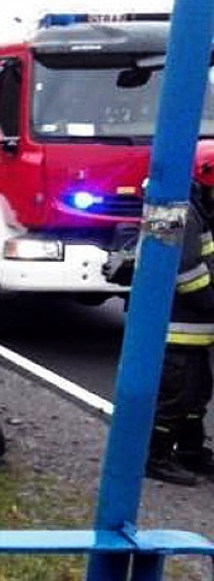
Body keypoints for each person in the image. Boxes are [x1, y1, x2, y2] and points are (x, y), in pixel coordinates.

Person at [146, 170, 214, 485]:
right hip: (175, 327)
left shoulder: (194, 207)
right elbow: (183, 271)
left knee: (195, 395)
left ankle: (190, 451)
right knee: (173, 396)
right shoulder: (172, 209)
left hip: (194, 328)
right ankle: (155, 457)